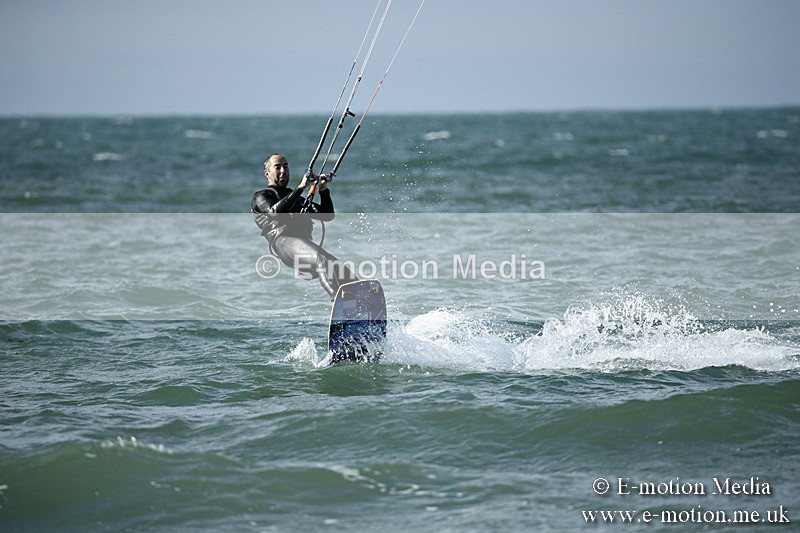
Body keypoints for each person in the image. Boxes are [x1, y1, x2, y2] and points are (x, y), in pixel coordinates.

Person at [252, 153, 358, 299]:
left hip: (303, 243)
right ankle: (336, 298)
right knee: (320, 258)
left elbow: (327, 215)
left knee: (341, 271)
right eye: (277, 167)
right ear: (267, 173)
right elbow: (276, 212)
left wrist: (323, 190)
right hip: (284, 242)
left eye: (285, 167)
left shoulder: (295, 198)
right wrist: (301, 187)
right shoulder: (261, 196)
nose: (283, 171)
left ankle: (360, 308)